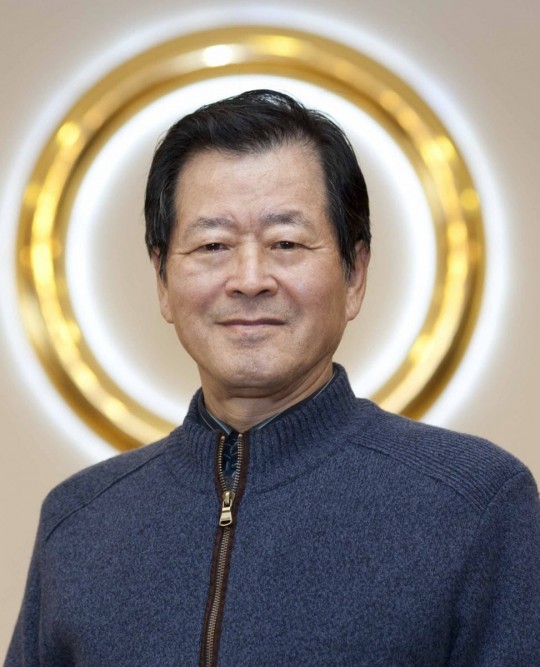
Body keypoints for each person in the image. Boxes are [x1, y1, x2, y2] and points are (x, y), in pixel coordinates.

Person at [6, 89, 540, 666]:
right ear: (162, 280)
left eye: (286, 242)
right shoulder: (78, 522)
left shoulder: (475, 502)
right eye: (213, 245)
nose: (249, 279)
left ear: (354, 273)